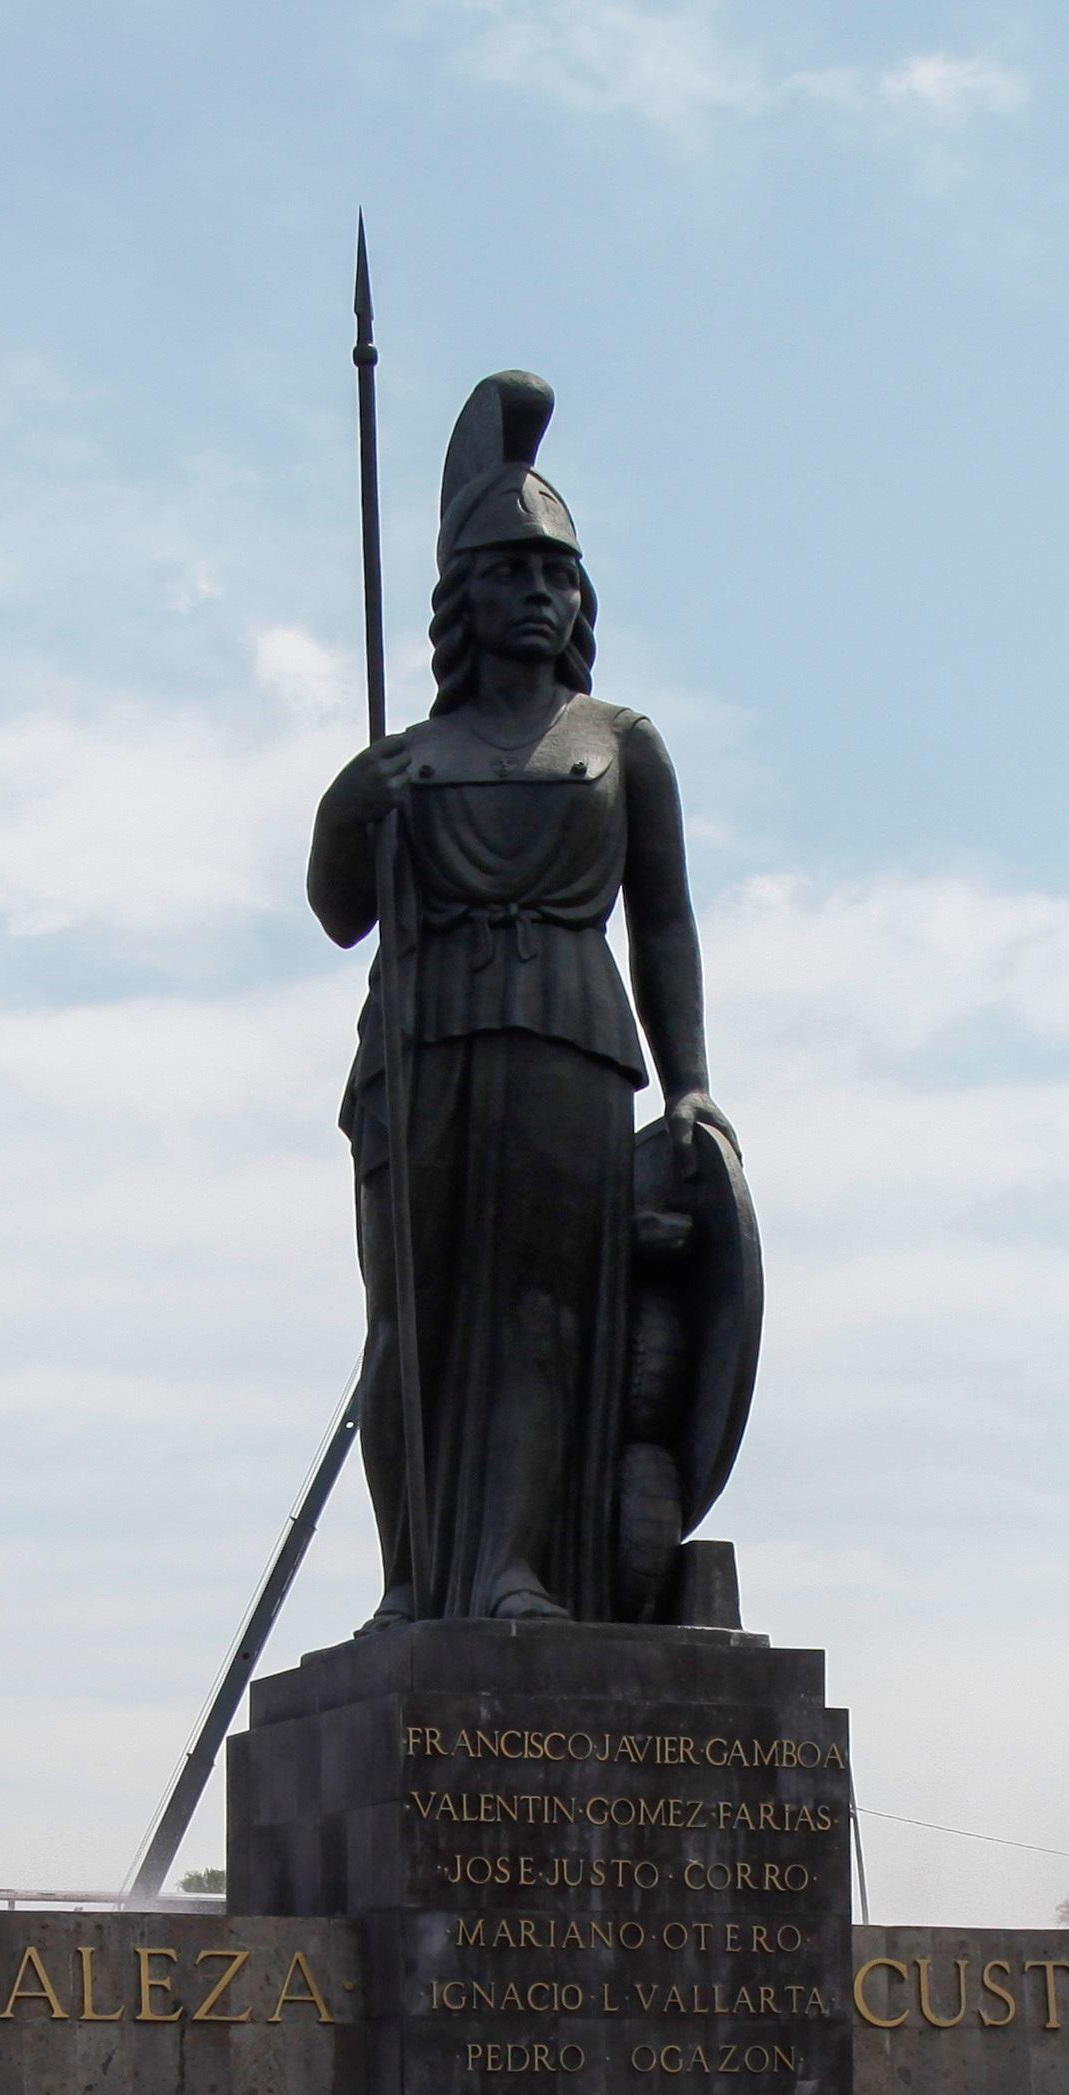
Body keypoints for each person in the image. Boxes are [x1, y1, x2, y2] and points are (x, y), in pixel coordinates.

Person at [308, 371, 759, 1628]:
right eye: (509, 573)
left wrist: (692, 1086)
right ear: (461, 595)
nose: (538, 595)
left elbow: (662, 919)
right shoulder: (407, 758)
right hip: (420, 1046)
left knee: (537, 1322)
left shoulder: (620, 741)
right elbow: (337, 908)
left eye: (556, 575)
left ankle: (511, 1567)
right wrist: (352, 805)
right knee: (408, 1333)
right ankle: (411, 1583)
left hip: (568, 1039)